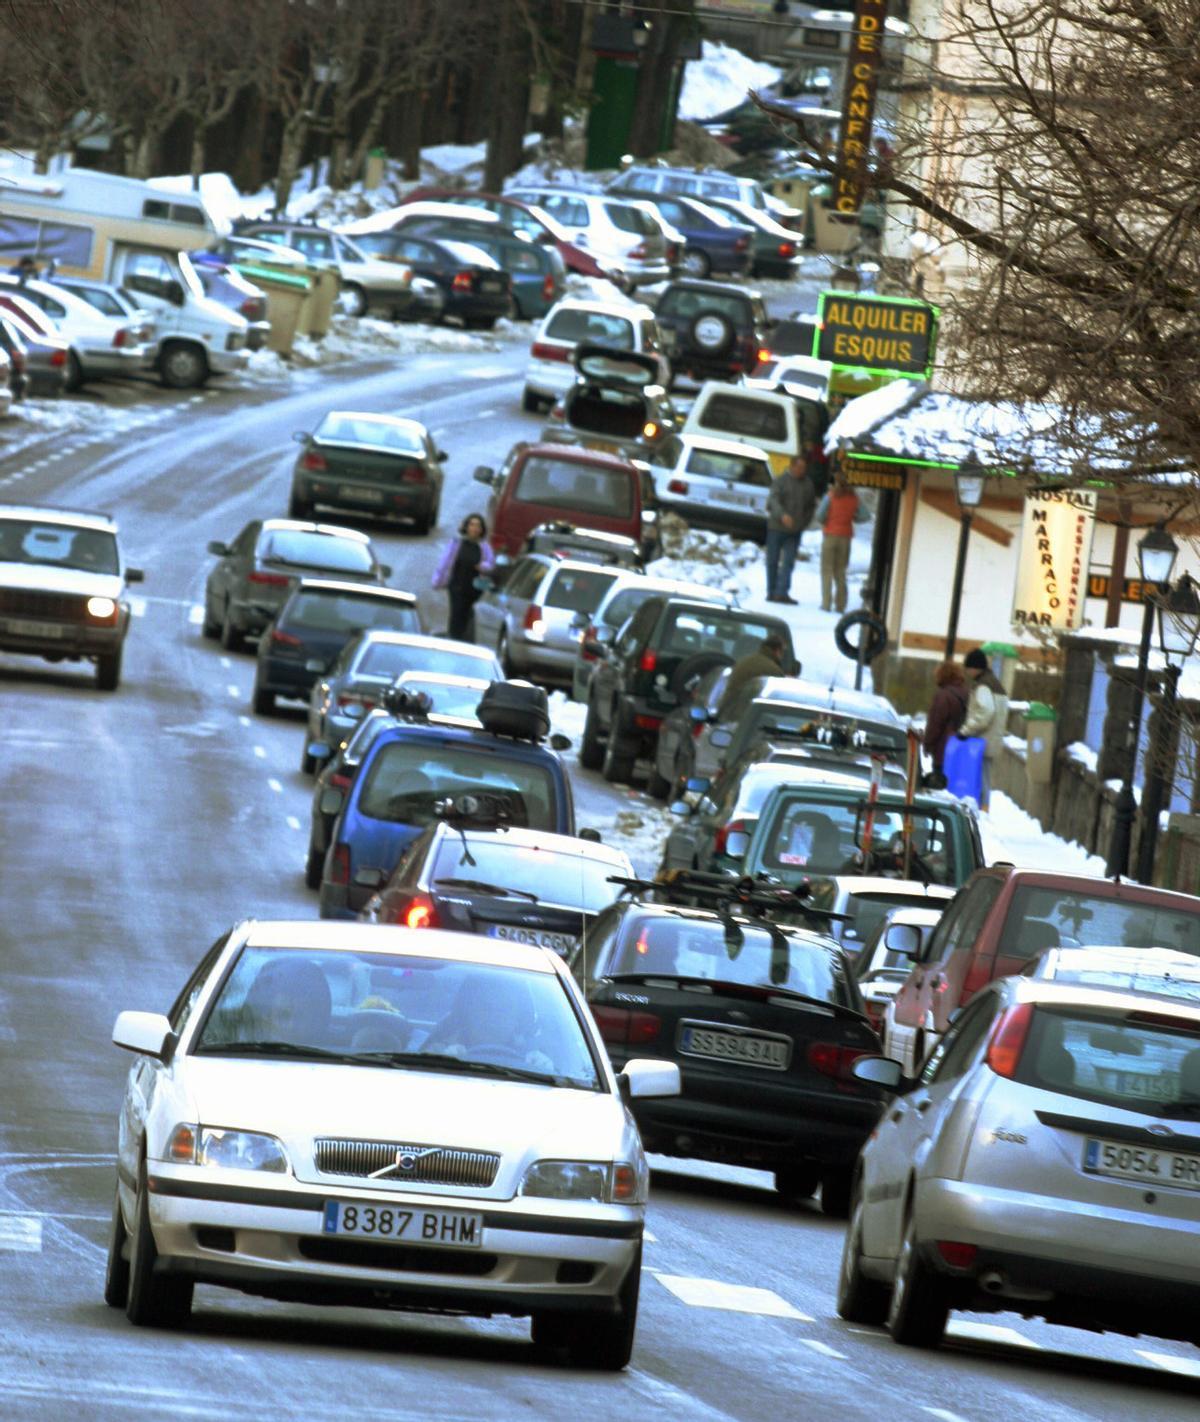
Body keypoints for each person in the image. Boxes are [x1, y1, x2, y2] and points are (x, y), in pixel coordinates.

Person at [958, 646, 1010, 809]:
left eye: (968, 668)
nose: (966, 672)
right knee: (984, 778)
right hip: (991, 740)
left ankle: (983, 811)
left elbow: (986, 712)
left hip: (982, 741)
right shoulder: (995, 684)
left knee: (981, 780)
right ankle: (984, 809)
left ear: (974, 667)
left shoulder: (983, 686)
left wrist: (966, 730)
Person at [432, 512, 495, 642]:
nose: (475, 528)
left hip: (475, 588)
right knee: (456, 611)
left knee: (467, 614)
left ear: (482, 529)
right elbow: (445, 561)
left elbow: (491, 563)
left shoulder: (484, 547)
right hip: (456, 585)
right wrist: (438, 579)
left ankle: (463, 638)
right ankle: (453, 638)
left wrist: (482, 566)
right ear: (466, 527)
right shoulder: (456, 543)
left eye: (478, 526)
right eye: (472, 525)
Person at [765, 455, 815, 604]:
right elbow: (773, 501)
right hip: (776, 527)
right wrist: (782, 515)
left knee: (788, 562)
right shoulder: (780, 481)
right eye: (799, 467)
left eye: (804, 468)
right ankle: (771, 591)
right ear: (792, 466)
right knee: (772, 561)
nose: (801, 471)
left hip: (795, 530)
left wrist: (803, 523)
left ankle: (782, 592)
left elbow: (810, 507)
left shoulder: (808, 484)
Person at [922, 660, 968, 788]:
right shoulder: (968, 693)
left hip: (944, 750)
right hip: (963, 748)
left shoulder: (943, 696)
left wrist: (928, 744)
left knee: (941, 787)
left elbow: (935, 724)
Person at [718, 631, 789, 715]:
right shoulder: (774, 671)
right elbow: (776, 701)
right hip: (746, 715)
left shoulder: (745, 661)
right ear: (777, 651)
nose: (782, 657)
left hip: (727, 711)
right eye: (783, 652)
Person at [818, 471, 859, 613]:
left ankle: (826, 603)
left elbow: (819, 515)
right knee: (840, 571)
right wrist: (852, 519)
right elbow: (864, 515)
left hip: (830, 534)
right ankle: (841, 605)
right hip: (846, 537)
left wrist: (827, 521)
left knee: (826, 570)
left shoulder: (830, 496)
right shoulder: (854, 498)